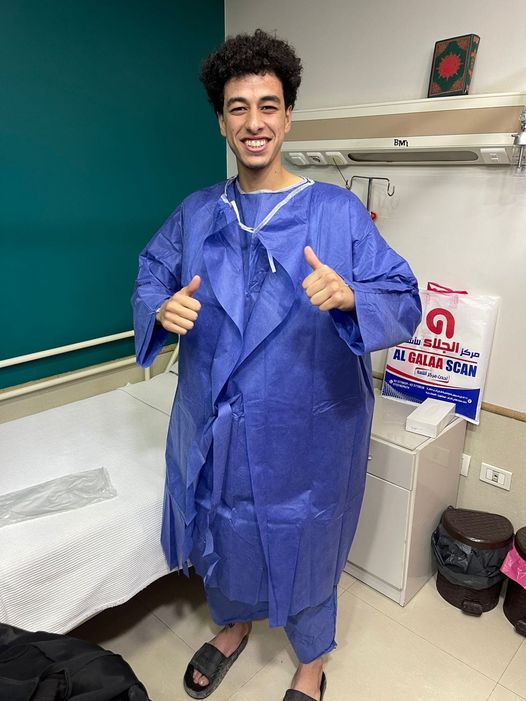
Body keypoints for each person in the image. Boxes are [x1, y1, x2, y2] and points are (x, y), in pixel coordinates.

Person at [133, 29, 421, 701]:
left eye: (268, 105)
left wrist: (353, 298)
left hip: (309, 427)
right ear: (221, 120)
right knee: (225, 525)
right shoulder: (197, 213)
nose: (254, 122)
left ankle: (311, 661)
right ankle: (233, 625)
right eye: (238, 107)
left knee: (309, 536)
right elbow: (150, 275)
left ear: (288, 115)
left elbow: (404, 296)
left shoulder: (336, 214)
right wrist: (160, 309)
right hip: (218, 423)